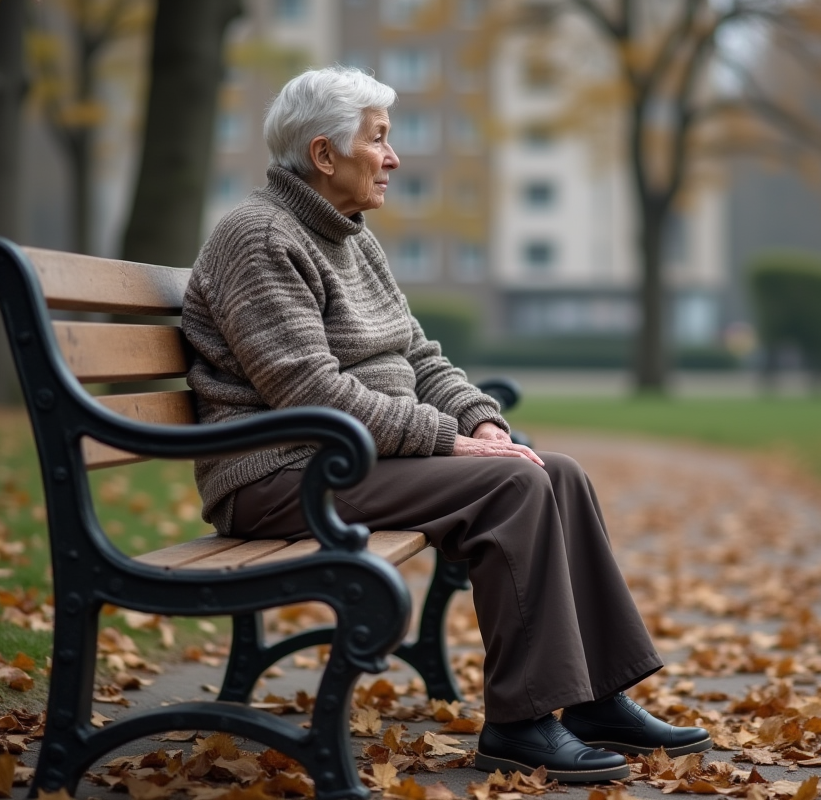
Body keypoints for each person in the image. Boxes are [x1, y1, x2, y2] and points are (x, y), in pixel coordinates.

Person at [182, 66, 712, 783]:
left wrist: (479, 420)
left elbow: (418, 354)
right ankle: (521, 725)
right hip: (276, 473)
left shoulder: (350, 237)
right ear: (323, 155)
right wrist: (448, 442)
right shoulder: (258, 237)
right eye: (379, 139)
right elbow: (310, 392)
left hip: (343, 462)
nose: (394, 158)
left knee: (555, 472)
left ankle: (594, 698)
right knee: (511, 489)